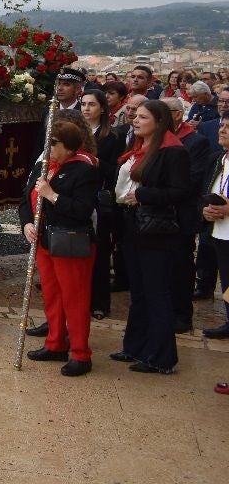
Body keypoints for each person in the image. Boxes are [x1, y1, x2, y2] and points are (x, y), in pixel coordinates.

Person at [19, 120, 102, 375]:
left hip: (70, 242)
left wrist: (52, 195)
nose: (49, 148)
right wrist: (26, 224)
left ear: (68, 146)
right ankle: (55, 342)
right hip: (44, 240)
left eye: (53, 143)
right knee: (52, 295)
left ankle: (80, 353)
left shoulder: (84, 170)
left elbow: (82, 210)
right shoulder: (43, 166)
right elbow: (25, 199)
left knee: (74, 299)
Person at [114, 100, 191, 373]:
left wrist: (143, 195)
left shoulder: (172, 151)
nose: (135, 120)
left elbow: (180, 192)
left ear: (159, 122)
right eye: (135, 116)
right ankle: (136, 346)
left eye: (143, 117)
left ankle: (161, 357)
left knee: (156, 292)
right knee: (139, 291)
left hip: (156, 230)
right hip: (134, 226)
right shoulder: (137, 147)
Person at [162, 97, 213, 334]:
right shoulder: (155, 139)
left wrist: (157, 189)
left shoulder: (196, 142)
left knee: (181, 267)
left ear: (177, 114)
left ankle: (182, 315)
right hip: (159, 214)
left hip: (181, 215)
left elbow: (191, 179)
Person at [80, 89, 122, 319]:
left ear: (103, 109)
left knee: (100, 252)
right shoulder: (73, 132)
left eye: (92, 104)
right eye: (83, 104)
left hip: (99, 199)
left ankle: (99, 302)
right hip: (77, 196)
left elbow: (116, 171)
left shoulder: (111, 137)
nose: (86, 109)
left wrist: (94, 161)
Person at [201, 121, 229, 339]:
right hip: (221, 230)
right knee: (227, 281)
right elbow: (205, 190)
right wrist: (206, 210)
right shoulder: (218, 159)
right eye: (222, 125)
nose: (222, 130)